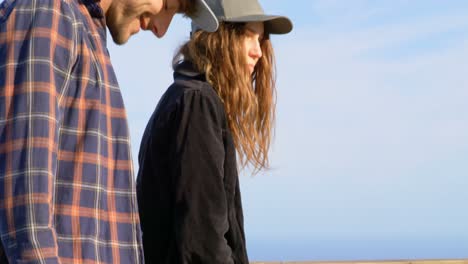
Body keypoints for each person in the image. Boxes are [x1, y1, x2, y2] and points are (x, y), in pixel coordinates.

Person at [0, 0, 218, 262]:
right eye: (170, 5)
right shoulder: (48, 13)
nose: (161, 30)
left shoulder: (86, 32)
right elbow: (28, 215)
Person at [136, 0, 293, 262]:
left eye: (261, 39)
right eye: (247, 35)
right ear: (219, 39)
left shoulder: (188, 98)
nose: (259, 52)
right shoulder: (197, 103)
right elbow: (202, 239)